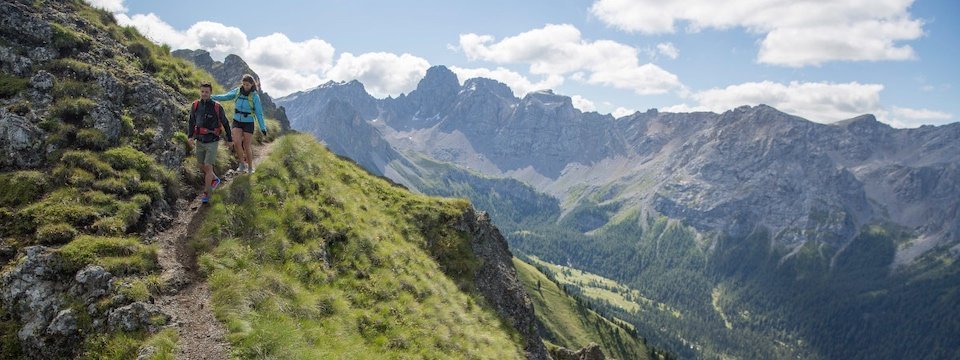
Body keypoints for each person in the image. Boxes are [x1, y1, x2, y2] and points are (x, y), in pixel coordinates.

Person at [187, 82, 232, 204]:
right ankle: (215, 179)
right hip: (199, 140)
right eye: (202, 91)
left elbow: (226, 123)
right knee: (201, 165)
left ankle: (206, 193)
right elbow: (191, 121)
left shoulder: (217, 107)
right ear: (200, 92)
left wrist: (230, 139)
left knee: (207, 166)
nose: (204, 94)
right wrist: (190, 136)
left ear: (210, 93)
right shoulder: (195, 105)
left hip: (212, 141)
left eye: (206, 92)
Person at [212, 74, 266, 174]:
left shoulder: (254, 96)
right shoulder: (237, 91)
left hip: (248, 122)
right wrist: (212, 97)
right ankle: (242, 164)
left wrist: (263, 128)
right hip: (237, 120)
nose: (245, 87)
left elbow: (259, 113)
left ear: (252, 84)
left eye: (248, 85)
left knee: (246, 145)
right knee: (236, 142)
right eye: (244, 84)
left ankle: (250, 167)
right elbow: (226, 96)